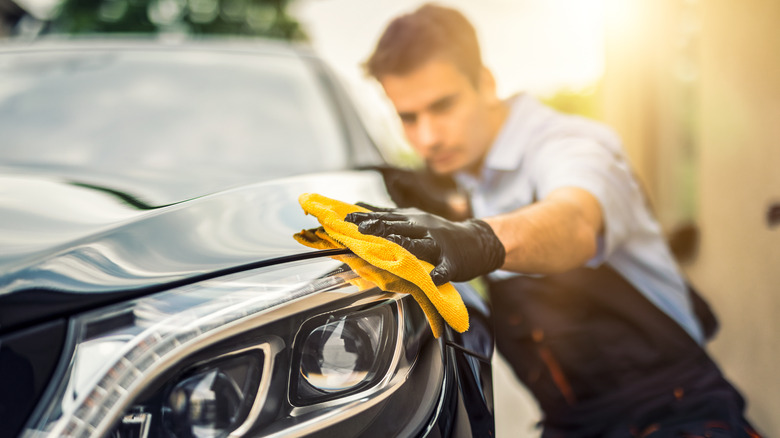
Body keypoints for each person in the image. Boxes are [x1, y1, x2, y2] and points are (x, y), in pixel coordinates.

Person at [345, 4, 761, 437]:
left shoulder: (570, 144)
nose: (428, 137)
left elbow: (575, 220)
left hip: (676, 414)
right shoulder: (472, 181)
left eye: (443, 106)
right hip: (574, 425)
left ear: (485, 84)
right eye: (408, 118)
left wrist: (478, 241)